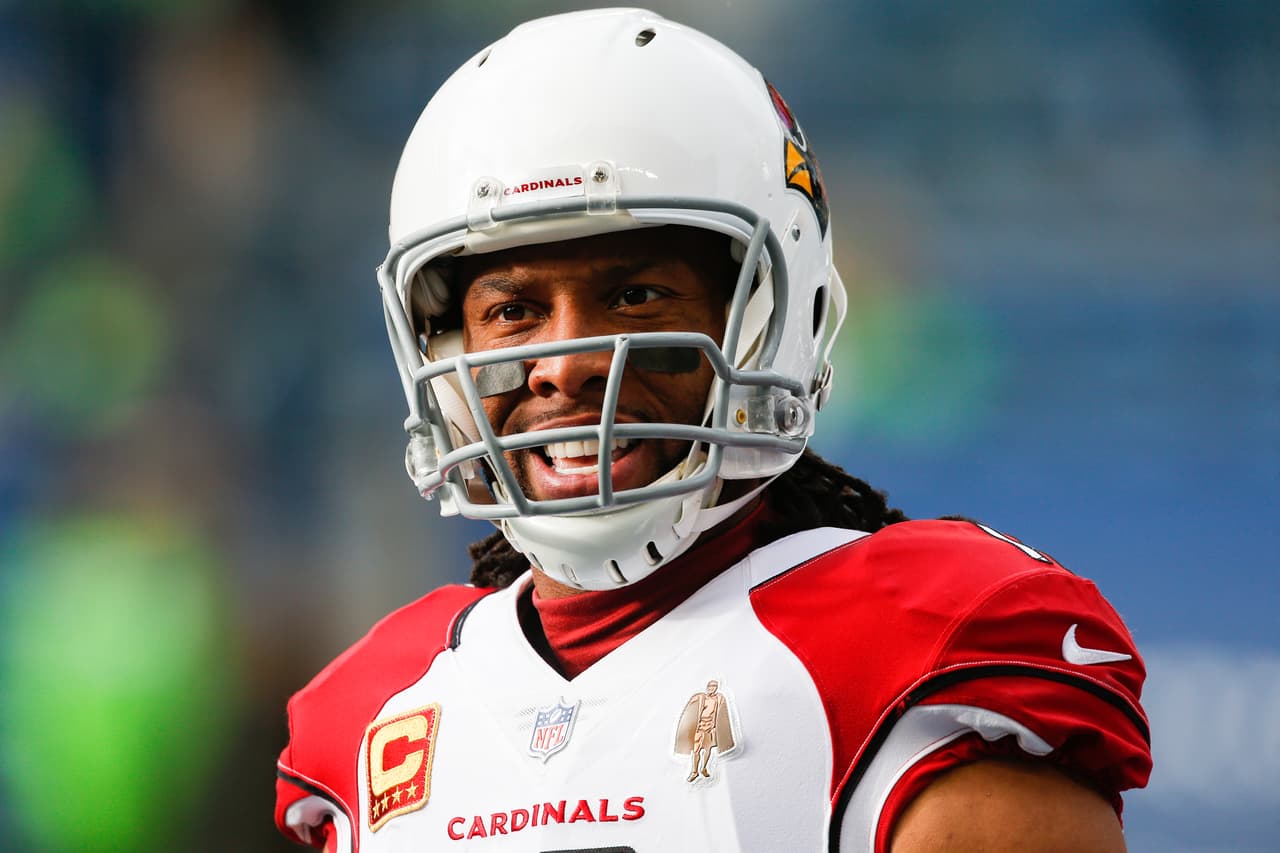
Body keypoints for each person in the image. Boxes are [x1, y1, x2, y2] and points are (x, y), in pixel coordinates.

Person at [274, 9, 1151, 852]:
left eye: (634, 296)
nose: (566, 361)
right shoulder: (380, 705)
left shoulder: (919, 648)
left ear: (773, 315)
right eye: (514, 309)